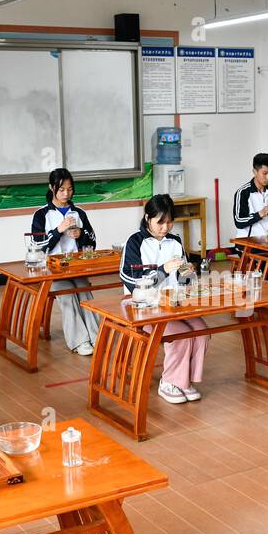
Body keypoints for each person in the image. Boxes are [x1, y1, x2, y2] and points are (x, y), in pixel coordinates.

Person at [120, 194, 209, 404]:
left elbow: (185, 280)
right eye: (160, 222)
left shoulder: (175, 241)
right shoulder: (134, 243)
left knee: (202, 331)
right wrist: (162, 270)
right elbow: (131, 280)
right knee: (181, 334)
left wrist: (188, 274)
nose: (165, 227)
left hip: (173, 304)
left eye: (169, 222)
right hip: (142, 306)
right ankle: (169, 381)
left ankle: (184, 380)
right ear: (147, 218)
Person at [30, 168, 101, 356]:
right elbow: (37, 245)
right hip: (51, 270)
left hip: (76, 267)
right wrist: (58, 230)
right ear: (51, 188)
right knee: (68, 294)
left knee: (84, 290)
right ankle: (80, 341)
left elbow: (92, 241)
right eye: (61, 190)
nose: (66, 194)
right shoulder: (41, 214)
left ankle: (97, 336)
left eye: (69, 189)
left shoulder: (79, 213)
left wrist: (81, 234)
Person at [232, 152, 268, 239]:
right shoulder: (243, 192)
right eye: (265, 173)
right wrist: (262, 213)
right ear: (255, 172)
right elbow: (239, 222)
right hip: (249, 242)